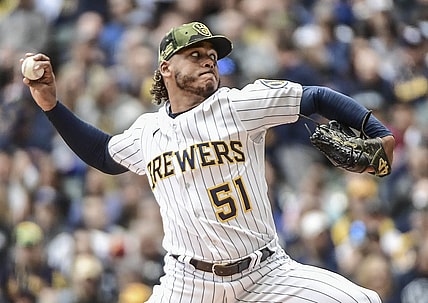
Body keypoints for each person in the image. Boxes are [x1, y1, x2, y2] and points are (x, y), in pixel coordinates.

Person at [22, 21, 395, 302]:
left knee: (362, 300)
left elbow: (314, 97)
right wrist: (52, 107)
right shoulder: (148, 132)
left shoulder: (237, 105)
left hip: (265, 271)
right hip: (188, 284)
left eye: (213, 57)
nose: (208, 63)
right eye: (195, 55)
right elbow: (104, 154)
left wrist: (377, 131)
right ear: (166, 68)